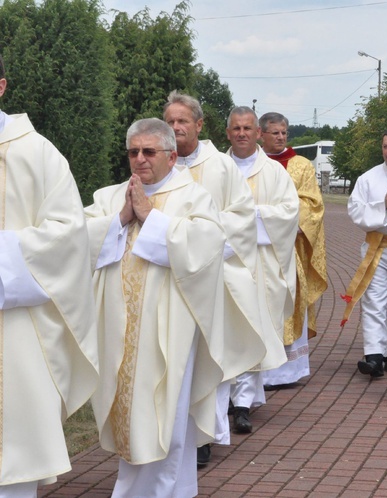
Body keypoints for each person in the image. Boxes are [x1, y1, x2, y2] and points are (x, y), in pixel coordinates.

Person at [86, 118, 226, 497]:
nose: (140, 160)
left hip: (170, 332)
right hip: (119, 329)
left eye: (149, 152)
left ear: (172, 154)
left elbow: (206, 247)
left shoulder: (194, 197)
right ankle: (175, 490)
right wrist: (120, 219)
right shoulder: (109, 197)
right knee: (133, 415)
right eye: (133, 152)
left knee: (164, 416)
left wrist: (151, 218)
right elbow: (77, 244)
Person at [0, 54, 98, 497]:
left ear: (1, 86)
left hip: (17, 333)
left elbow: (68, 235)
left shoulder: (36, 152)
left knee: (14, 461)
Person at [164, 91, 266, 466]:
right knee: (176, 355)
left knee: (212, 356)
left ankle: (205, 434)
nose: (176, 128)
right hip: (171, 278)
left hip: (212, 277)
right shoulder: (160, 162)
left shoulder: (220, 167)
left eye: (183, 121)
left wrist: (199, 246)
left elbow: (241, 220)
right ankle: (179, 431)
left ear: (199, 124)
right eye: (171, 122)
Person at [225, 106, 299, 433]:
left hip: (257, 263)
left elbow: (288, 214)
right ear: (227, 133)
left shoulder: (273, 172)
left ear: (258, 133)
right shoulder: (217, 169)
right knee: (223, 332)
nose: (242, 133)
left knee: (251, 329)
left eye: (247, 128)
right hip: (220, 261)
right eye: (236, 128)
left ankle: (243, 402)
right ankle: (223, 396)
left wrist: (247, 215)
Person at [259, 112, 328, 388]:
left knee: (289, 300)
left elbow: (312, 204)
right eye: (274, 132)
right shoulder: (254, 164)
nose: (280, 137)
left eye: (284, 133)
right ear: (260, 134)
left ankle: (286, 371)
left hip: (291, 248)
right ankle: (259, 370)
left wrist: (280, 221)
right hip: (255, 246)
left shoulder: (301, 166)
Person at [342, 128, 387, 377]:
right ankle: (373, 356)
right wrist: (383, 204)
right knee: (374, 301)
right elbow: (355, 210)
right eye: (385, 147)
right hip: (376, 247)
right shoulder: (368, 178)